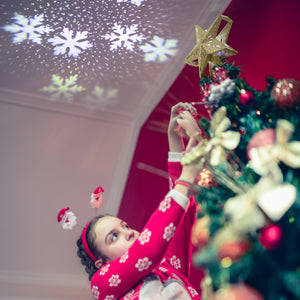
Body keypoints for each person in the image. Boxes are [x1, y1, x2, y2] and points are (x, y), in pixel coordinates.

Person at [76, 103, 203, 299]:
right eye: (113, 237)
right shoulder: (102, 285)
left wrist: (175, 140)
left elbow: (181, 221)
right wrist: (187, 177)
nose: (127, 232)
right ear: (102, 264)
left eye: (124, 226)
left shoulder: (166, 265)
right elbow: (148, 250)